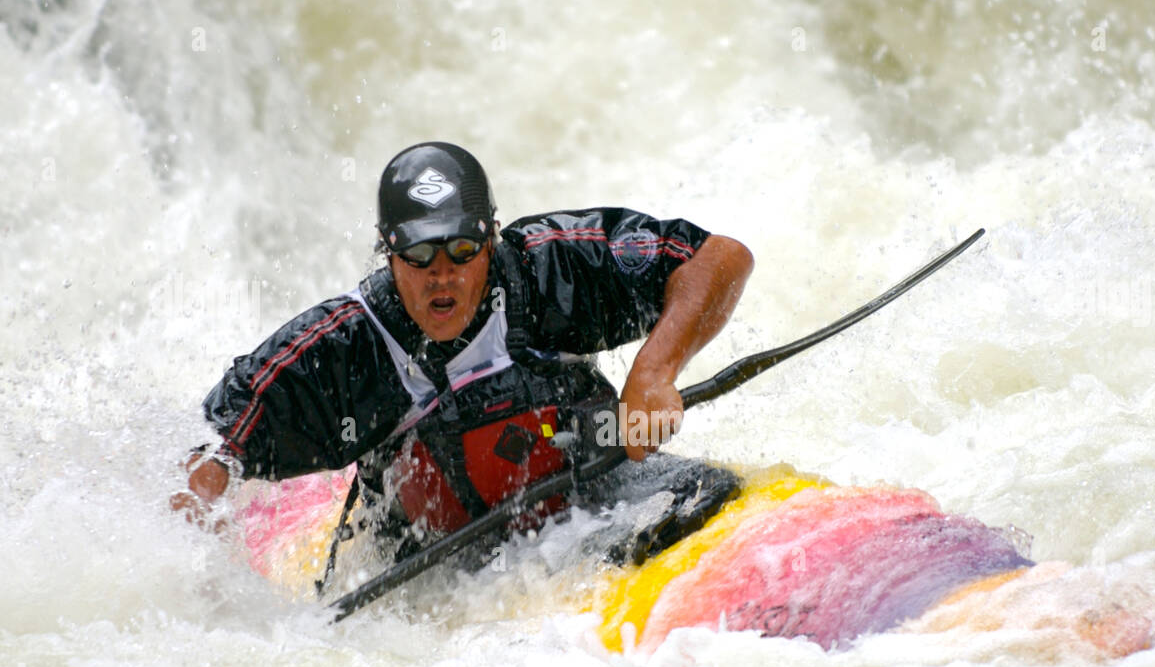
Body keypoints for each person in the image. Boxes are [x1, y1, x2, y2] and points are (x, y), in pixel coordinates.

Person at [174, 142, 753, 569]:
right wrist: (202, 572)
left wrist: (653, 371)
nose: (441, 275)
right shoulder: (347, 347)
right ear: (388, 253)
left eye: (461, 249)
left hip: (599, 503)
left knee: (715, 491)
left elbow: (717, 259)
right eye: (420, 254)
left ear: (491, 238)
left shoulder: (546, 270)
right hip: (441, 572)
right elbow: (214, 447)